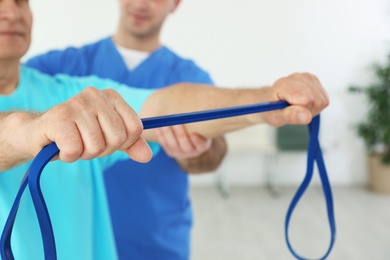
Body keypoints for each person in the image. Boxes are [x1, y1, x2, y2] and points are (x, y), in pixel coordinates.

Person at [0, 0, 329, 259]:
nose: (12, 12)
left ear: (175, 3)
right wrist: (28, 129)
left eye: (21, 0)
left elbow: (170, 108)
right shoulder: (62, 70)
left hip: (151, 239)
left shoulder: (71, 86)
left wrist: (263, 102)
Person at [25, 1, 227, 258]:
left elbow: (215, 151)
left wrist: (198, 151)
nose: (141, 3)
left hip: (157, 244)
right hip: (78, 244)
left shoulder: (191, 80)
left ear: (175, 3)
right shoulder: (59, 69)